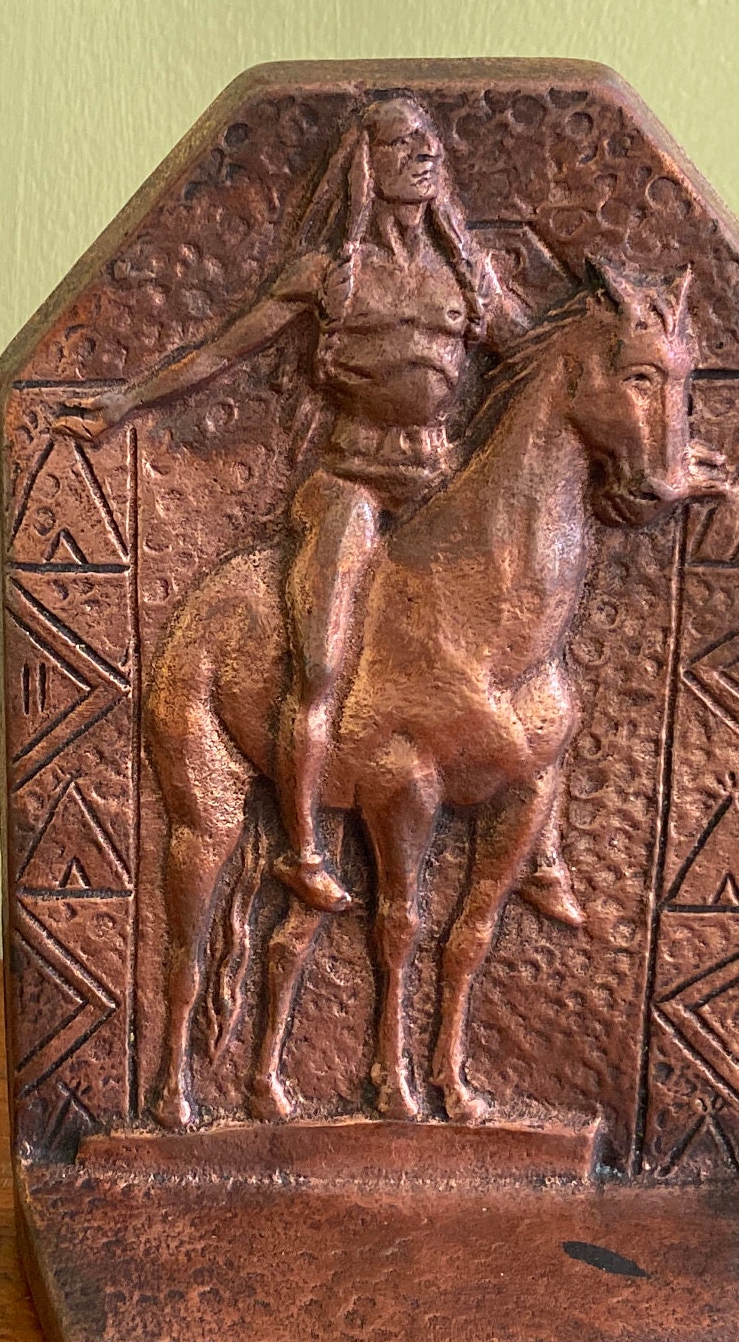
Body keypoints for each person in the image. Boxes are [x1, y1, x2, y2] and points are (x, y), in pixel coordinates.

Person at [58, 97, 582, 924]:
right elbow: (222, 349)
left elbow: (542, 365)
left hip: (440, 483)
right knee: (323, 659)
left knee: (523, 639)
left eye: (430, 142)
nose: (424, 153)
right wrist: (127, 400)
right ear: (367, 163)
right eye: (402, 143)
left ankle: (540, 848)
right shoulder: (327, 275)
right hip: (352, 484)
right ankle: (301, 846)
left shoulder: (467, 274)